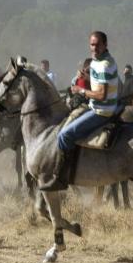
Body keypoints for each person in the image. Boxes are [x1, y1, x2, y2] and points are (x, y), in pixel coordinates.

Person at [48, 31, 120, 191]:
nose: (94, 48)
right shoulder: (100, 61)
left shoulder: (104, 65)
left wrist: (80, 90)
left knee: (64, 135)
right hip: (98, 106)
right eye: (92, 44)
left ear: (105, 45)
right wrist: (86, 78)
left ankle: (61, 178)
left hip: (101, 111)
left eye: (98, 45)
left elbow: (101, 94)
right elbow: (99, 80)